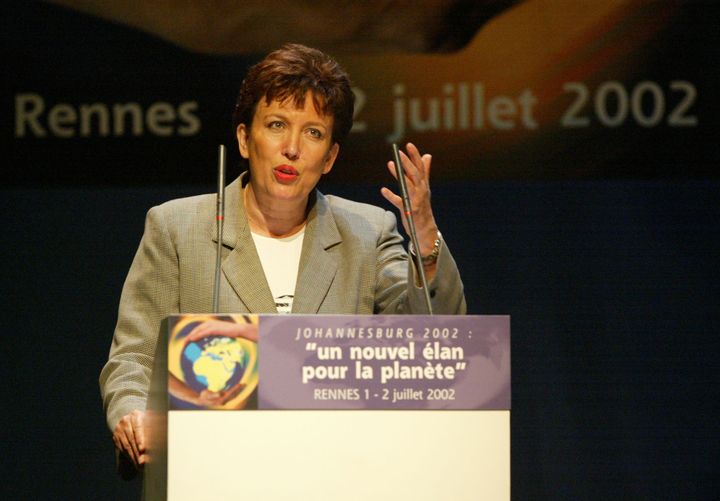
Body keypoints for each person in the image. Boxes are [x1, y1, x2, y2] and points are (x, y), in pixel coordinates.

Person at [100, 43, 466, 474]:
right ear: (243, 138)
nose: (292, 148)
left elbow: (431, 344)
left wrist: (424, 241)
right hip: (212, 472)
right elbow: (135, 359)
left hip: (339, 473)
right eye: (277, 125)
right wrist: (132, 414)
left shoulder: (368, 233)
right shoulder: (177, 228)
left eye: (313, 132)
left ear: (329, 157)